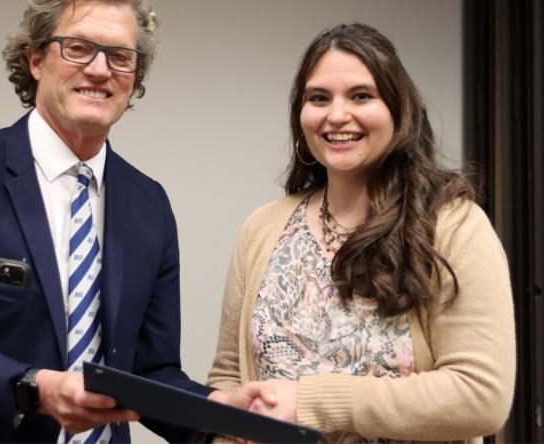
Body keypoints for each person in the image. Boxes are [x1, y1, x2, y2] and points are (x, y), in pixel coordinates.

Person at [0, 0, 251, 443]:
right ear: (35, 60)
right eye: (78, 48)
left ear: (135, 78)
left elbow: (149, 372)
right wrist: (36, 389)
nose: (99, 69)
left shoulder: (149, 204)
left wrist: (218, 415)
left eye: (120, 57)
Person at [207, 23, 516, 442]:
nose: (336, 115)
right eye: (318, 98)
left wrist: (313, 402)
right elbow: (229, 375)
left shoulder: (452, 226)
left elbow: (481, 395)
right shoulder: (262, 229)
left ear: (398, 110)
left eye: (361, 96)